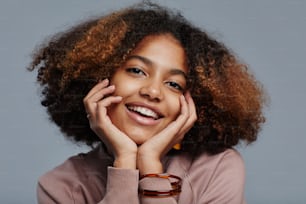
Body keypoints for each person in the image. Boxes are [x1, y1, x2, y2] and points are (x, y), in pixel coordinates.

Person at [29, 2, 267, 204]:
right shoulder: (60, 186)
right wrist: (125, 164)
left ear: (193, 104)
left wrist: (150, 166)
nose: (153, 91)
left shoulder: (217, 168)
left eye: (174, 84)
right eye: (136, 70)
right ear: (98, 78)